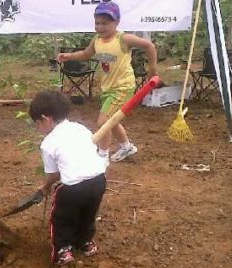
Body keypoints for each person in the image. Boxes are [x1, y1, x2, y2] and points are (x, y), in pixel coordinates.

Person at [57, 0, 158, 163]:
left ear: (116, 22)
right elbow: (86, 54)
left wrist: (152, 70)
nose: (100, 27)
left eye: (105, 23)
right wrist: (69, 56)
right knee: (112, 119)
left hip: (122, 87)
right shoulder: (97, 40)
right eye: (97, 23)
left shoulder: (123, 39)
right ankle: (126, 147)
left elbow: (149, 46)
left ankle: (102, 156)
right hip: (108, 88)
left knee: (103, 121)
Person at [29, 90, 107, 266]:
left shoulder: (48, 143)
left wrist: (45, 186)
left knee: (62, 218)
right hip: (98, 181)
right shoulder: (80, 128)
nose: (38, 128)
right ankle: (85, 243)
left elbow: (54, 174)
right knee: (88, 214)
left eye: (37, 124)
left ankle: (63, 250)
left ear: (46, 119)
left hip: (73, 189)